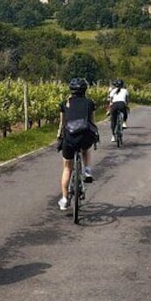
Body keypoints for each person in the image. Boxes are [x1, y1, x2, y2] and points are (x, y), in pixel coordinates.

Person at [56, 78, 99, 210]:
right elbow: (92, 122)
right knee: (85, 149)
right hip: (85, 136)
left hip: (69, 138)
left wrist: (59, 136)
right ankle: (86, 170)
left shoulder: (65, 103)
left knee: (67, 168)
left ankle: (64, 199)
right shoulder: (90, 103)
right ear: (85, 90)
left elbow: (62, 124)